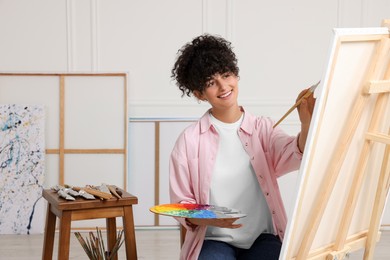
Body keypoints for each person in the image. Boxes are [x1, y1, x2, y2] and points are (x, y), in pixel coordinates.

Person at [169, 34, 315, 260]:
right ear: (199, 93)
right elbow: (181, 205)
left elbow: (295, 153)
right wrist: (209, 218)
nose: (223, 86)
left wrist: (306, 123)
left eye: (226, 75)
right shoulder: (189, 141)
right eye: (210, 83)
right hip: (213, 239)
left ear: (235, 75)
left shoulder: (262, 128)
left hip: (263, 238)